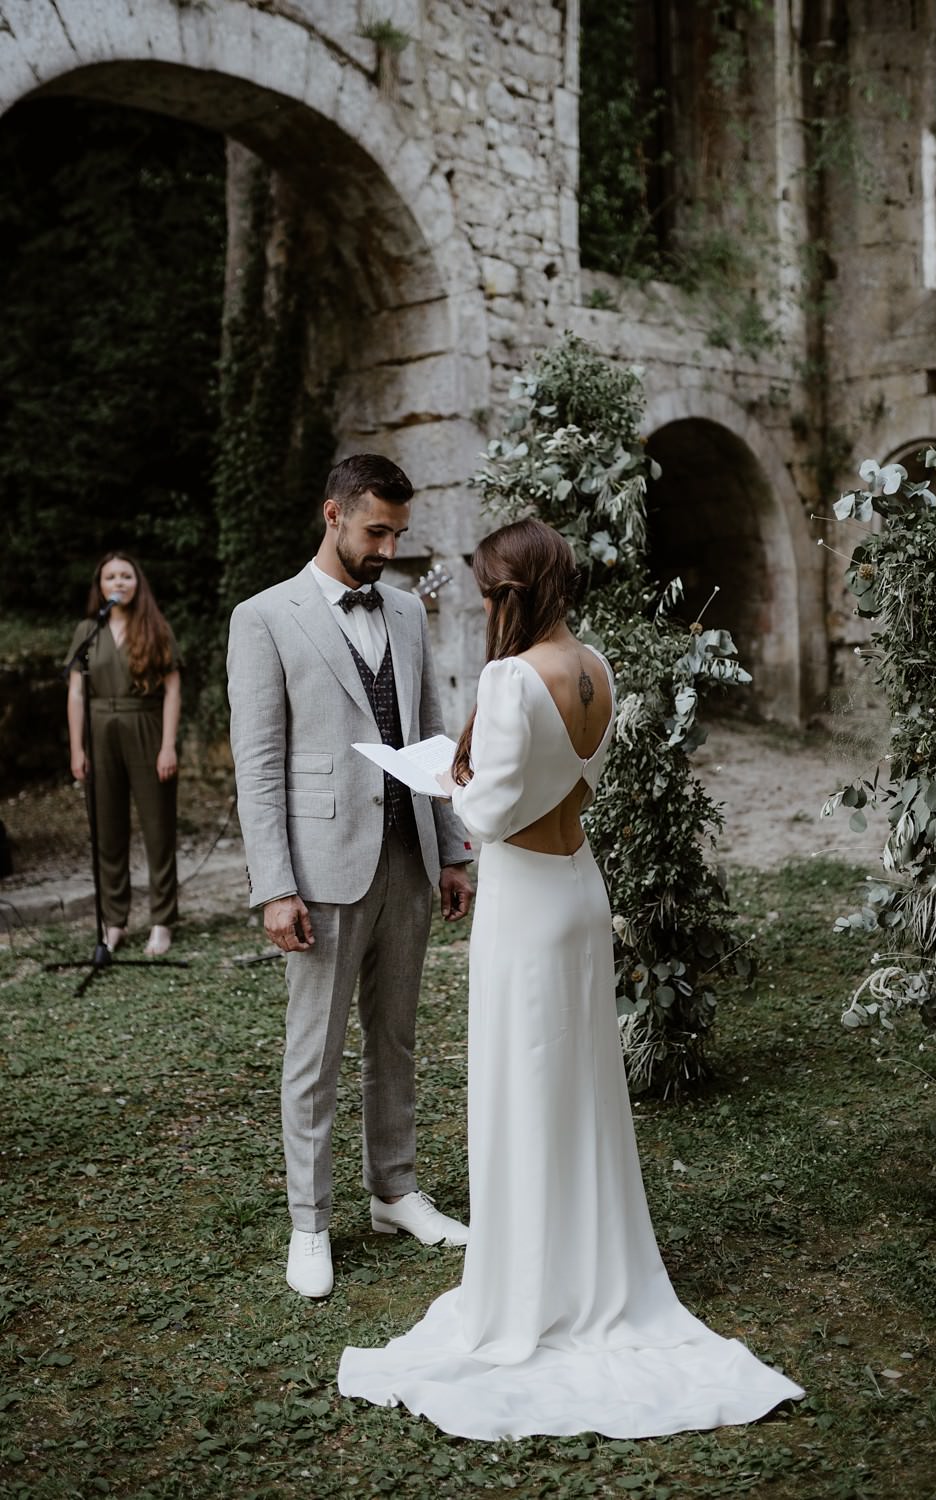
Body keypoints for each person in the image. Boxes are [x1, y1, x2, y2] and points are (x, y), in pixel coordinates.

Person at [338, 518, 804, 1440]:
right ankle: (587, 1265)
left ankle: (528, 1288)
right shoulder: (596, 666)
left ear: (506, 593)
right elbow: (568, 780)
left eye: (486, 592)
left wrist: (442, 777)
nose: (482, 607)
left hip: (524, 901)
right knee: (580, 1087)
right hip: (579, 889)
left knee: (522, 1086)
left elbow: (490, 811)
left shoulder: (512, 679)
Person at [227, 453, 474, 1300]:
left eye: (398, 534)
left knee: (395, 1038)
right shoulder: (264, 617)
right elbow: (259, 765)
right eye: (376, 532)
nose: (388, 550)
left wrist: (451, 850)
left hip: (407, 858)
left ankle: (394, 1192)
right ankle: (310, 1222)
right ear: (332, 514)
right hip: (321, 870)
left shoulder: (405, 610)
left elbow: (432, 733)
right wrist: (274, 886)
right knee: (316, 1050)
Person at [66, 552, 182, 958]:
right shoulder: (88, 630)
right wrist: (77, 748)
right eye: (111, 576)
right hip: (99, 730)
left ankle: (162, 920)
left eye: (126, 576)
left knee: (158, 827)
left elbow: (172, 690)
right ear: (100, 586)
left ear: (138, 583)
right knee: (107, 829)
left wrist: (168, 745)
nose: (118, 582)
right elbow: (76, 692)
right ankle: (114, 921)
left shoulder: (155, 627)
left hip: (145, 725)